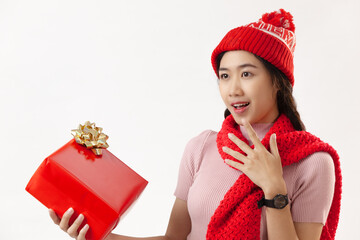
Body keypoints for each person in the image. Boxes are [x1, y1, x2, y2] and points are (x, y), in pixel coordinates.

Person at [48, 9, 342, 240]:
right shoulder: (202, 147)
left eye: (247, 74)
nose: (233, 89)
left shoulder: (312, 162)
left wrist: (274, 187)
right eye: (224, 76)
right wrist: (100, 237)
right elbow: (174, 239)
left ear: (278, 82)